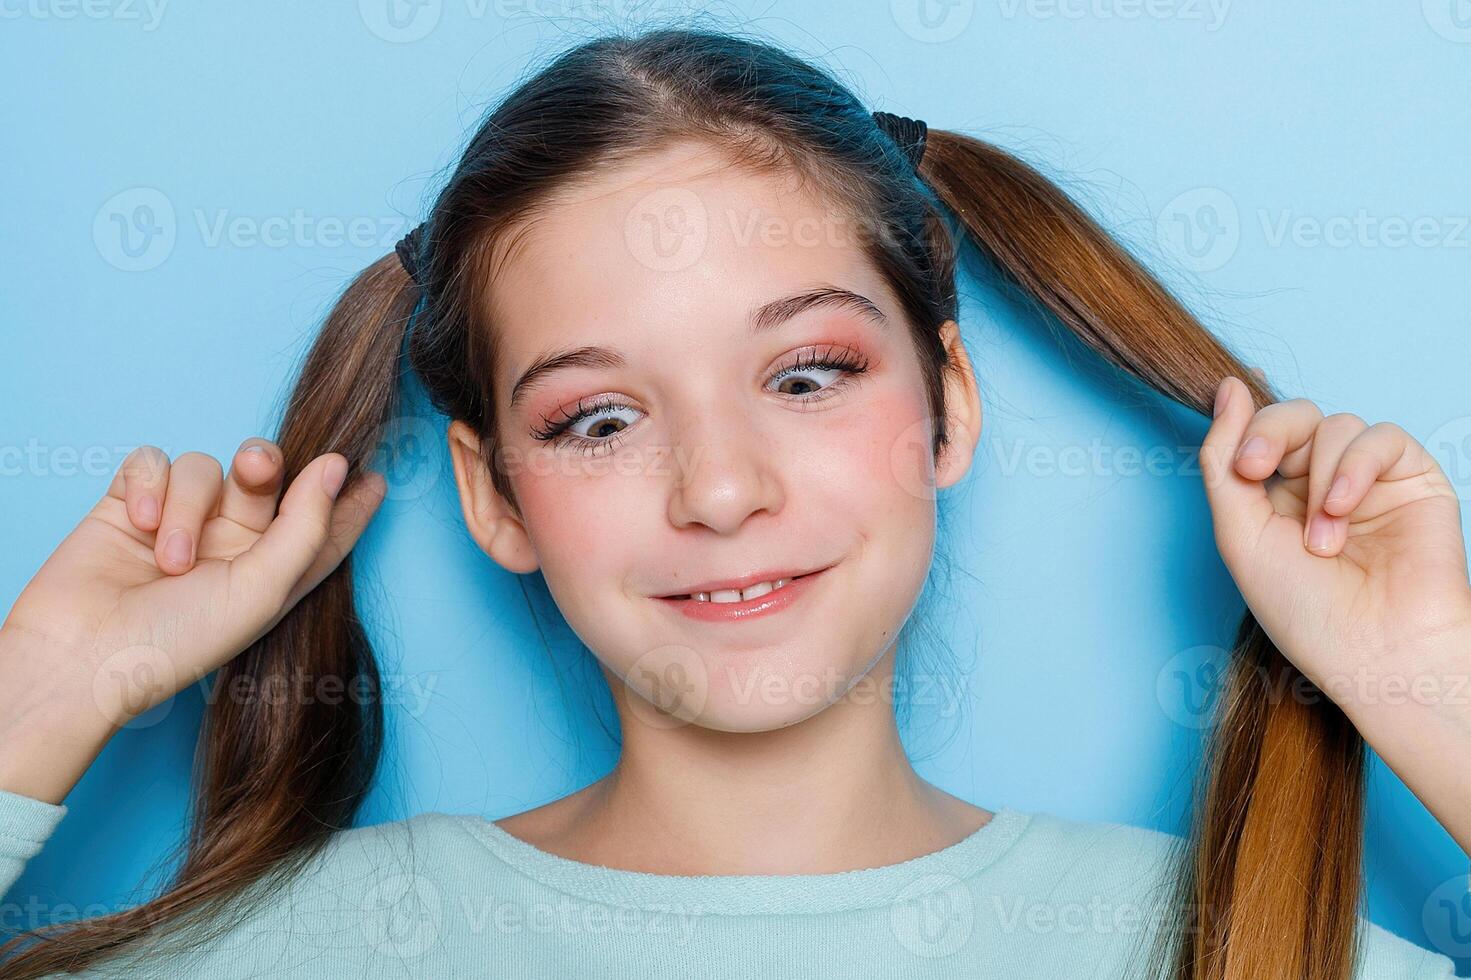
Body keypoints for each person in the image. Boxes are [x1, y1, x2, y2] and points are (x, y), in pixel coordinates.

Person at [2, 26, 1467, 980]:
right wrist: (45, 694)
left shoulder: (1260, 952)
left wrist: (1431, 685)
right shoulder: (286, 957)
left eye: (810, 375)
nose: (719, 489)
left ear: (950, 403)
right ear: (492, 495)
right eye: (599, 419)